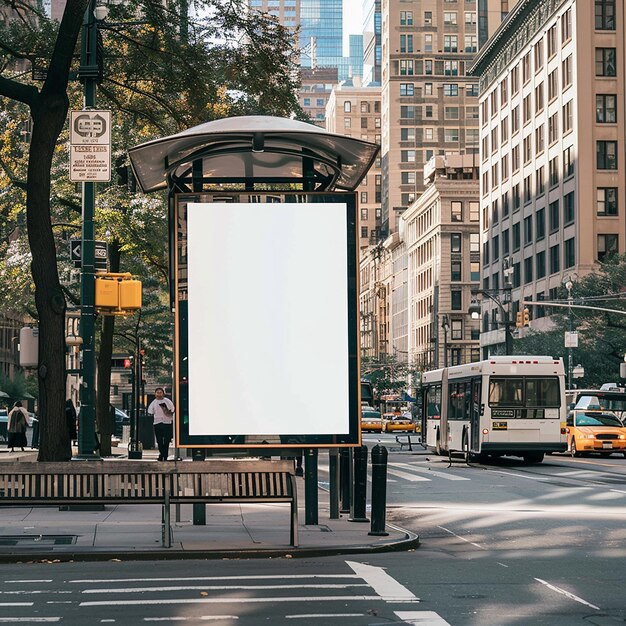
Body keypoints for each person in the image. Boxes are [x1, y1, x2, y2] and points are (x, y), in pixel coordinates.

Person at [147, 388, 175, 461]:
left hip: (167, 422)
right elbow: (150, 411)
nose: (159, 394)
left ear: (163, 393)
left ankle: (164, 455)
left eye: (160, 392)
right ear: (155, 394)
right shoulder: (153, 402)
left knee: (166, 440)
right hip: (157, 423)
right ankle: (162, 453)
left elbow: (172, 409)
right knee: (159, 440)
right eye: (157, 393)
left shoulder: (167, 401)